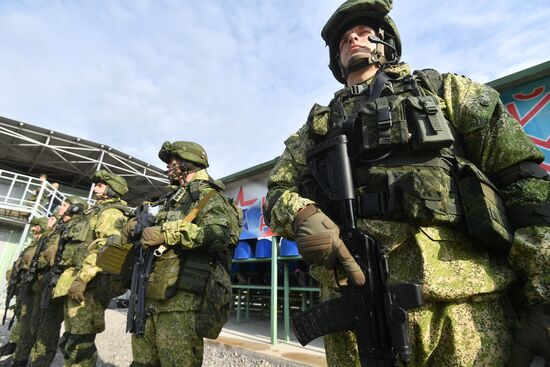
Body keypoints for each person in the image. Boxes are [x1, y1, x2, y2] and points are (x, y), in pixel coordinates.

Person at [264, 1, 549, 366]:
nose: (353, 38)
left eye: (365, 31)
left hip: (464, 306)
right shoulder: (316, 128)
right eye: (343, 39)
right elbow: (276, 193)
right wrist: (300, 213)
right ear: (335, 59)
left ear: (388, 43)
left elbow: (524, 183)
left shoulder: (446, 92)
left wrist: (545, 295)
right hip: (357, 308)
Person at [128, 141, 235, 367]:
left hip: (181, 302)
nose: (168, 168)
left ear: (189, 164)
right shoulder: (171, 198)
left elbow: (219, 235)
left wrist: (167, 232)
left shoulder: (207, 195)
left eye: (172, 163)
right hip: (150, 294)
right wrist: (134, 227)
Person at [59, 171, 130, 367]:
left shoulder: (111, 213)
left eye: (100, 184)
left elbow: (105, 248)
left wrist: (82, 279)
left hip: (89, 285)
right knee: (71, 339)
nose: (95, 187)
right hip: (79, 282)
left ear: (111, 189)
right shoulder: (95, 211)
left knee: (80, 343)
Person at [7, 216, 52, 367]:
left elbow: (38, 260)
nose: (33, 229)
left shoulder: (46, 241)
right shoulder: (35, 242)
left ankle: (24, 358)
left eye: (35, 226)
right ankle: (18, 356)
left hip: (37, 286)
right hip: (26, 285)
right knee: (22, 320)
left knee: (32, 326)